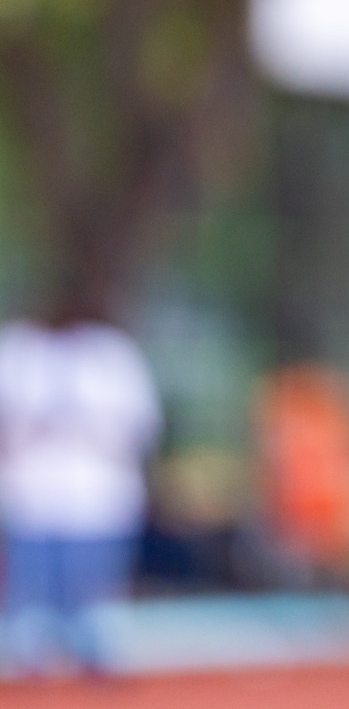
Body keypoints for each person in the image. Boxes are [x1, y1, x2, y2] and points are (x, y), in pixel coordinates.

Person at [0, 285, 162, 677]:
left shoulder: (111, 355)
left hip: (97, 492)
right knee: (31, 584)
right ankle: (30, 654)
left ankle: (96, 650)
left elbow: (139, 423)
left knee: (93, 583)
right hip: (30, 490)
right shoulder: (17, 352)